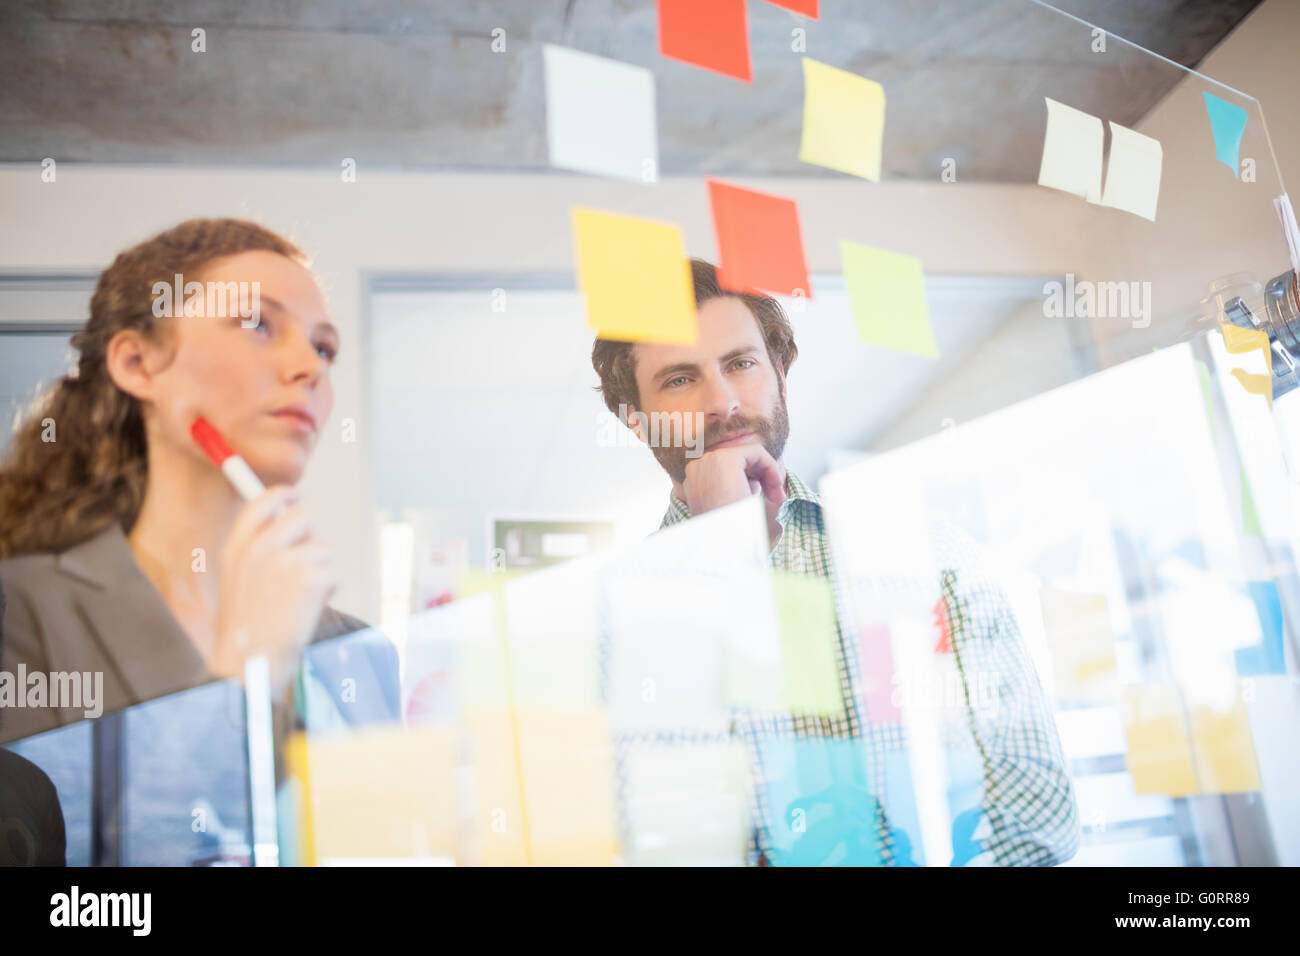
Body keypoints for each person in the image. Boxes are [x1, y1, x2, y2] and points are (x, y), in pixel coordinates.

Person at [591, 258, 1080, 865]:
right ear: (635, 420)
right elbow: (644, 847)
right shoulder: (609, 622)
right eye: (680, 380)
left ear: (782, 376)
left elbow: (1039, 817)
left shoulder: (929, 558)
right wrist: (720, 552)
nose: (723, 402)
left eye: (741, 364)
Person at [0, 218, 395, 747]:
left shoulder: (362, 650)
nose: (310, 367)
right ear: (138, 364)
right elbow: (43, 830)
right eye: (257, 324)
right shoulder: (23, 612)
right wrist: (243, 676)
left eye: (323, 348)